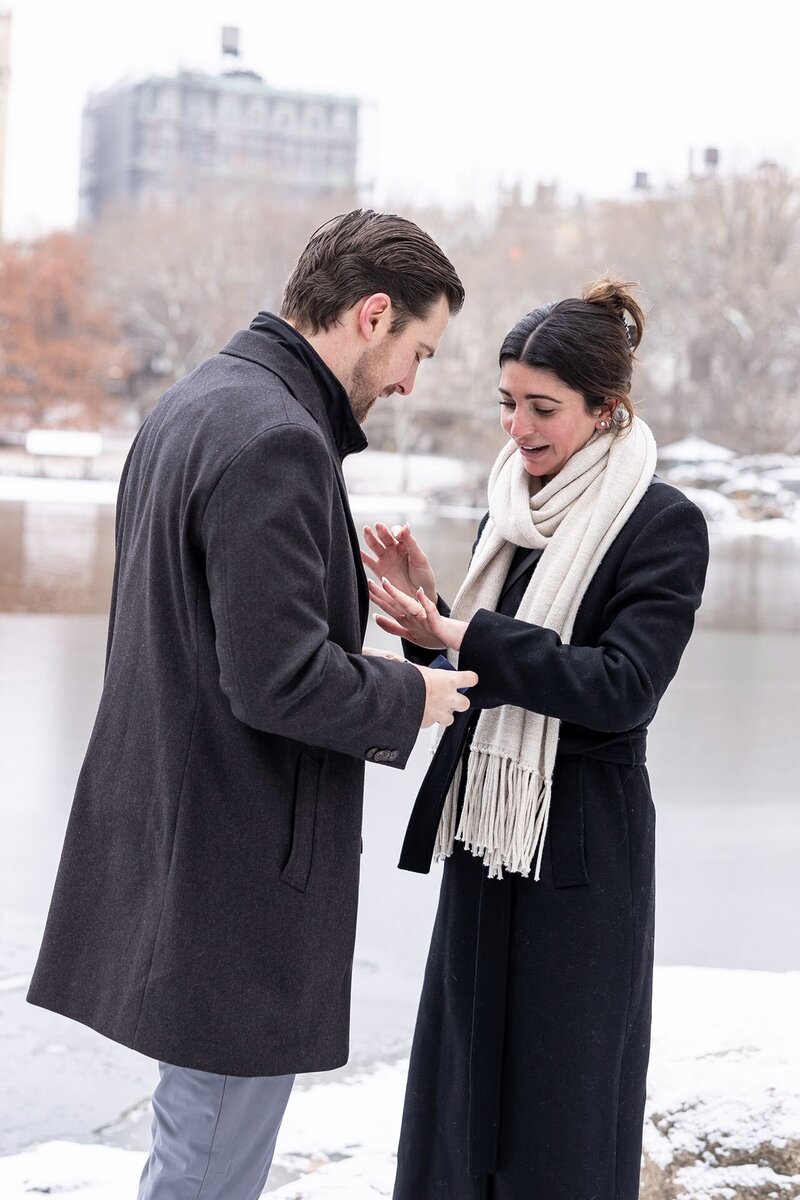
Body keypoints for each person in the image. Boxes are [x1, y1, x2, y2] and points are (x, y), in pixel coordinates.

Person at [26, 208, 478, 1200]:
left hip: (179, 844)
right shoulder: (276, 437)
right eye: (419, 351)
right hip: (235, 877)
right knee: (209, 1170)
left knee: (192, 1151)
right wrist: (415, 691)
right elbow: (277, 679)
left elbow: (218, 646)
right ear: (372, 315)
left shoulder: (195, 403)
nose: (410, 382)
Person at [363, 279, 710, 1200]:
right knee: (460, 1094)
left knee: (562, 1108)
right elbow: (494, 672)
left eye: (543, 407)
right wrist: (431, 618)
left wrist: (466, 633)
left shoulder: (661, 524)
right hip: (489, 838)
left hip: (579, 855)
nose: (517, 428)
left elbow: (622, 689)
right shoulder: (513, 513)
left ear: (606, 409)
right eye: (507, 402)